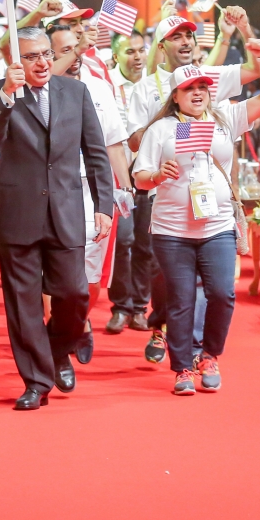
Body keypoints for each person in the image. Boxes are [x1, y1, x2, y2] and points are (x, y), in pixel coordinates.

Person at [0, 26, 113, 410]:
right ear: (14, 62)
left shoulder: (76, 92)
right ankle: (36, 382)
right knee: (23, 307)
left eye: (45, 55)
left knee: (73, 293)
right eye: (32, 56)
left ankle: (58, 350)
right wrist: (6, 94)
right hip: (18, 214)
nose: (42, 62)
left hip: (66, 211)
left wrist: (104, 203)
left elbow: (96, 151)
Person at [133, 44, 260, 395]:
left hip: (217, 227)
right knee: (181, 299)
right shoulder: (162, 129)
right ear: (176, 96)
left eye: (202, 88)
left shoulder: (226, 119)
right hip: (171, 230)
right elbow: (140, 177)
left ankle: (209, 355)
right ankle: (182, 367)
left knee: (222, 294)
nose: (197, 93)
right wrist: (157, 175)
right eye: (189, 89)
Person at [126, 11, 258, 362]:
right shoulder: (145, 89)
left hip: (208, 203)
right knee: (166, 278)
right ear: (162, 45)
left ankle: (195, 346)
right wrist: (170, 128)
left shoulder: (208, 80)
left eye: (190, 36)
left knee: (211, 287)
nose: (185, 42)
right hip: (160, 195)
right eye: (177, 37)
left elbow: (256, 72)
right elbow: (136, 143)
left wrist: (232, 35)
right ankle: (161, 327)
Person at [47, 22, 133, 365]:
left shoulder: (98, 87)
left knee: (90, 273)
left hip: (90, 190)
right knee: (52, 269)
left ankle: (79, 320)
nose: (76, 55)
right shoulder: (38, 89)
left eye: (77, 47)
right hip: (52, 191)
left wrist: (124, 187)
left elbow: (112, 142)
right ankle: (55, 333)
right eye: (65, 50)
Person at [106, 30, 152, 333]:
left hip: (151, 173)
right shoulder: (106, 85)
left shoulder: (155, 83)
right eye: (129, 52)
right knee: (122, 241)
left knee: (146, 242)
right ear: (116, 56)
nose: (137, 57)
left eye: (140, 51)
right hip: (117, 174)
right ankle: (120, 306)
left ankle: (140, 307)